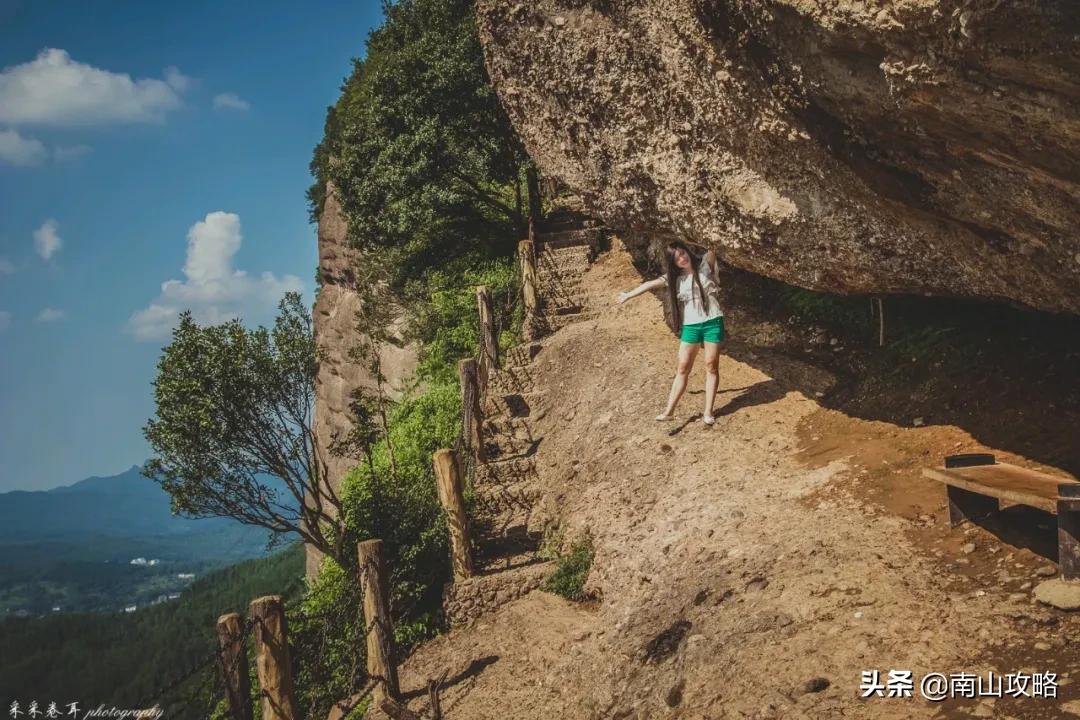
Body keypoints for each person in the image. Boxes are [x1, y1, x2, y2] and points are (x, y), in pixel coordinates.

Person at [615, 240, 725, 424]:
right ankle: (669, 411)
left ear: (688, 252)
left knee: (711, 365)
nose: (682, 258)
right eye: (677, 258)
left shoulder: (705, 265)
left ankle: (708, 412)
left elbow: (713, 244)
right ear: (673, 263)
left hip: (712, 321)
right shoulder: (676, 279)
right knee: (682, 367)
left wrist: (694, 238)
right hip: (691, 325)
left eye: (683, 253)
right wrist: (628, 295)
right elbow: (650, 284)